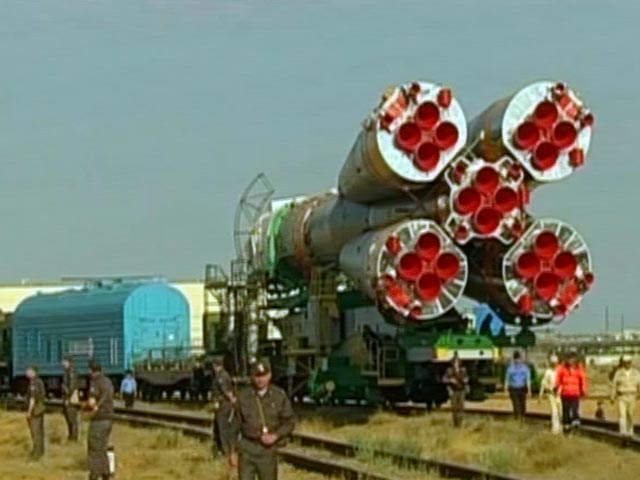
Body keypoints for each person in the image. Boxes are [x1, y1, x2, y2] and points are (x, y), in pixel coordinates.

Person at [234, 359, 296, 480]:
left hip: (267, 451)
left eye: (263, 375)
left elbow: (289, 422)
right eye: (257, 376)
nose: (260, 379)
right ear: (252, 376)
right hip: (247, 449)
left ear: (269, 375)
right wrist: (232, 451)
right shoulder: (243, 396)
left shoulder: (279, 396)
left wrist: (276, 435)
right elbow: (235, 424)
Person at [85, 360, 115, 480]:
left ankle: (95, 475)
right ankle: (106, 474)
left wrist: (83, 406)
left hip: (99, 419)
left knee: (94, 449)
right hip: (109, 419)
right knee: (103, 448)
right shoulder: (107, 381)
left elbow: (92, 402)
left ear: (91, 370)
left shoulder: (96, 382)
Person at [556, 351, 587, 432]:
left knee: (575, 408)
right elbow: (558, 379)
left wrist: (583, 390)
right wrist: (556, 387)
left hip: (575, 392)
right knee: (565, 409)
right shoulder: (562, 368)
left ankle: (575, 423)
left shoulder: (579, 369)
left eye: (573, 359)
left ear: (575, 359)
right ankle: (566, 425)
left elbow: (583, 379)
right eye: (569, 359)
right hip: (565, 393)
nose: (571, 361)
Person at [610, 355, 640, 436]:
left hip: (632, 396)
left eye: (629, 362)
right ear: (623, 363)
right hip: (622, 396)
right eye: (626, 363)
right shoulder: (619, 373)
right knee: (622, 414)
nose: (627, 364)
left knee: (630, 414)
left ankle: (630, 431)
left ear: (631, 363)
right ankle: (623, 432)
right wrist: (612, 396)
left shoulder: (636, 373)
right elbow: (614, 385)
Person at [212, 358, 236, 456]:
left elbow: (226, 390)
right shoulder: (223, 375)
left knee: (223, 427)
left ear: (215, 365)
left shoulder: (221, 376)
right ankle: (221, 448)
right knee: (219, 427)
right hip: (222, 403)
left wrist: (232, 400)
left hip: (223, 404)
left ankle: (225, 450)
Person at [442, 352, 469, 428]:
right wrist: (450, 380)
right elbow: (444, 379)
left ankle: (460, 423)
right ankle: (455, 423)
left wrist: (465, 380)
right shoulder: (449, 370)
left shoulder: (463, 370)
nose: (456, 363)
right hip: (453, 391)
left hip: (461, 390)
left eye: (457, 361)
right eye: (454, 362)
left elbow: (467, 378)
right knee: (454, 408)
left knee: (461, 407)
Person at [25, 366, 46, 460]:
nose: (26, 373)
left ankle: (36, 454)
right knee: (40, 432)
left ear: (33, 372)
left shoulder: (34, 383)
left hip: (35, 411)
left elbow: (32, 399)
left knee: (35, 432)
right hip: (40, 409)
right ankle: (40, 451)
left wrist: (29, 412)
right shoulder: (40, 381)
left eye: (28, 371)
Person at [504, 351, 531, 420]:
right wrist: (505, 388)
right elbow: (507, 379)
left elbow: (528, 379)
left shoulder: (525, 368)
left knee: (523, 406)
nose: (517, 361)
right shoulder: (510, 369)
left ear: (521, 359)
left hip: (522, 388)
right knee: (516, 406)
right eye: (516, 359)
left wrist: (529, 390)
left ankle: (522, 419)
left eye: (518, 359)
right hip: (513, 389)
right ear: (514, 359)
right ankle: (516, 420)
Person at [539, 354, 562, 434]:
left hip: (560, 394)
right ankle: (555, 429)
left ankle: (561, 427)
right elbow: (543, 383)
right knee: (554, 411)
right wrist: (540, 395)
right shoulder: (548, 372)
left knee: (561, 411)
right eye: (553, 362)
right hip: (551, 394)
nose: (554, 364)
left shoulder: (560, 371)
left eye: (555, 362)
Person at [62, 356, 80, 442]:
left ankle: (73, 438)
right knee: (69, 417)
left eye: (64, 362)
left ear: (68, 362)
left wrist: (67, 398)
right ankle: (71, 436)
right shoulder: (68, 371)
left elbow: (71, 386)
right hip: (68, 397)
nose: (62, 363)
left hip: (70, 398)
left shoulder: (71, 372)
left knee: (72, 417)